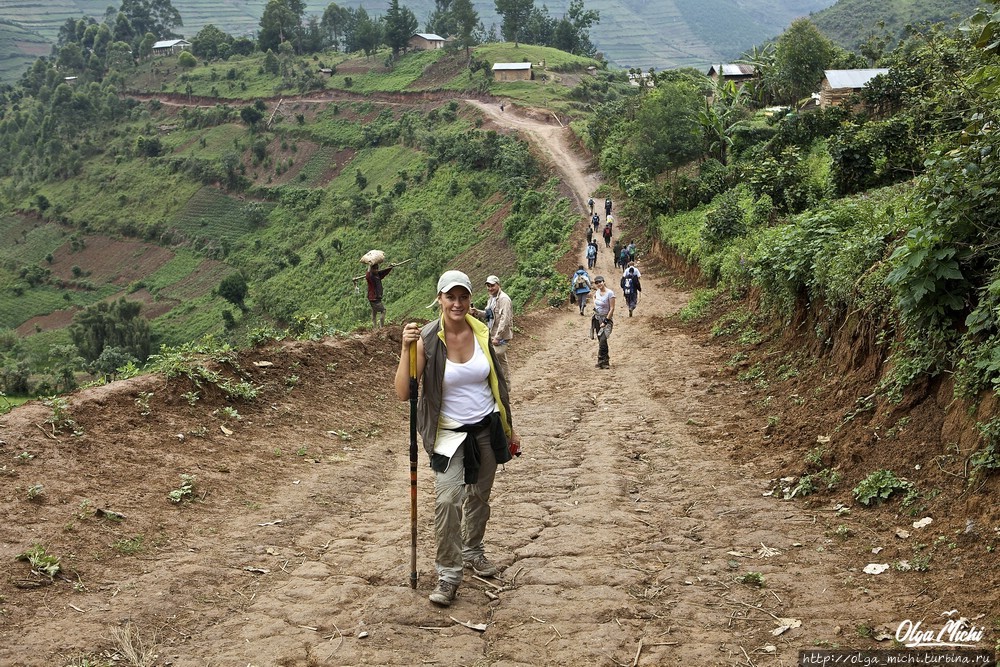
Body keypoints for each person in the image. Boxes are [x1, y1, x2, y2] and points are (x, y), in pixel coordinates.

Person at [394, 270, 521, 608]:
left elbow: (497, 383)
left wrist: (509, 426)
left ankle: (473, 549)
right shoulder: (426, 339)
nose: (457, 303)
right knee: (448, 500)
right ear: (439, 299)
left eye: (463, 296)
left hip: (486, 426)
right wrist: (406, 350)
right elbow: (404, 392)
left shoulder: (480, 331)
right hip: (448, 432)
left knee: (479, 496)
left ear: (470, 299)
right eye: (451, 297)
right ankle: (448, 573)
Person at [471, 275, 513, 394]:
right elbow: (489, 315)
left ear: (498, 285)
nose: (490, 288)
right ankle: (503, 385)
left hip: (500, 336)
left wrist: (497, 337)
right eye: (488, 286)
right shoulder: (491, 299)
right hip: (492, 334)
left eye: (492, 285)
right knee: (500, 360)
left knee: (494, 358)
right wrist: (477, 312)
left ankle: (500, 386)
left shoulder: (504, 299)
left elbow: (505, 319)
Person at [590, 276, 615, 368]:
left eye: (600, 282)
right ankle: (602, 360)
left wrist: (606, 321)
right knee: (601, 340)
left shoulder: (610, 293)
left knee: (603, 339)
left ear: (604, 282)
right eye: (596, 283)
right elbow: (594, 297)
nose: (598, 284)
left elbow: (612, 308)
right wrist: (595, 306)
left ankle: (604, 361)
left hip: (606, 319)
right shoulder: (597, 292)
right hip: (597, 318)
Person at [365, 262, 393, 328]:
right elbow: (367, 275)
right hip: (374, 298)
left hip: (375, 297)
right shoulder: (370, 277)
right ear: (371, 269)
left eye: (377, 269)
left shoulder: (377, 275)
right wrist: (369, 266)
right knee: (383, 311)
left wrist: (390, 267)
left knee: (374, 312)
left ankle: (375, 328)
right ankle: (381, 327)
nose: (376, 270)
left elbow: (384, 272)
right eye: (375, 269)